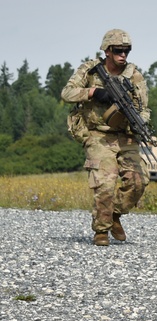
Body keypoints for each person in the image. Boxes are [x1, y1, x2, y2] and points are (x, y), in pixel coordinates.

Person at [62, 29, 151, 246]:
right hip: (98, 135)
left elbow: (145, 108)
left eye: (127, 51)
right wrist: (93, 93)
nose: (123, 55)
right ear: (107, 51)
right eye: (118, 51)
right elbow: (67, 93)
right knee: (105, 183)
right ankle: (101, 231)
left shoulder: (134, 75)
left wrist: (141, 122)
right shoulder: (91, 70)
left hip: (126, 135)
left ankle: (114, 216)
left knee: (139, 181)